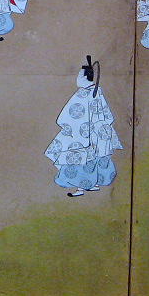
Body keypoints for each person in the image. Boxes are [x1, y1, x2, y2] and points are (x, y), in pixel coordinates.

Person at [45, 56, 121, 197]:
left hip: (83, 133)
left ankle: (81, 189)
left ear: (86, 77)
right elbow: (107, 115)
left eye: (80, 76)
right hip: (97, 133)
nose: (78, 79)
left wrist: (68, 126)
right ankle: (93, 184)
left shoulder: (84, 93)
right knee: (94, 157)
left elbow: (69, 115)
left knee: (81, 159)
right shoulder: (97, 92)